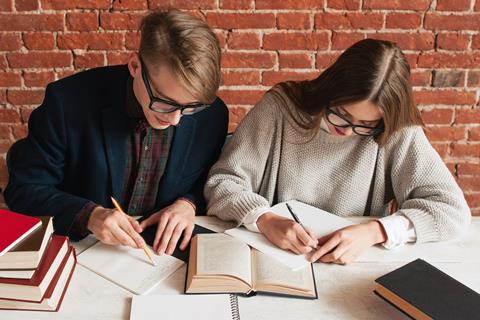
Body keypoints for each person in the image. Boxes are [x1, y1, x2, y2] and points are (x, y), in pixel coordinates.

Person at [204, 39, 471, 265]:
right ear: (329, 90)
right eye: (340, 115)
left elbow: (452, 211)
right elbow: (223, 182)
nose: (347, 131)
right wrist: (263, 218)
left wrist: (376, 231)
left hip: (352, 265)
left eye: (366, 126)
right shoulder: (280, 108)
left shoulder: (396, 129)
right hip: (273, 255)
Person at [5, 10, 228, 256]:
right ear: (135, 66)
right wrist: (90, 215)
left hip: (163, 258)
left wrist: (189, 203)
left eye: (190, 107)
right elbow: (23, 190)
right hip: (81, 251)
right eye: (164, 102)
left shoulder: (211, 114)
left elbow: (209, 178)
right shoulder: (66, 102)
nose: (176, 119)